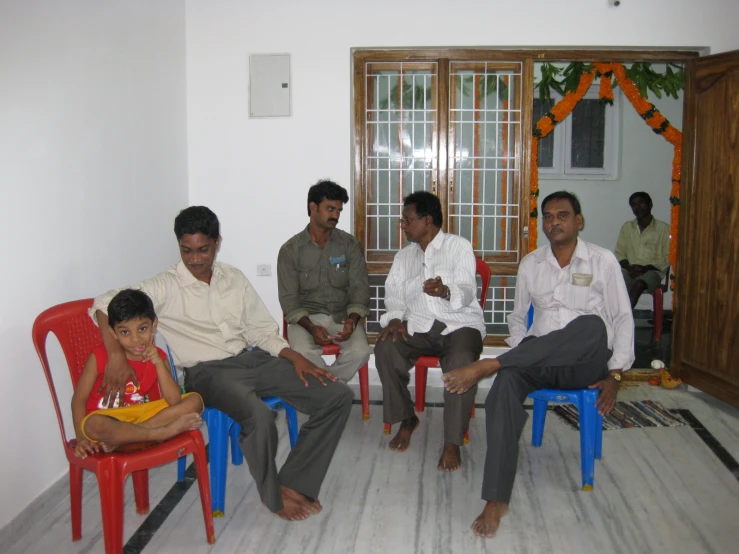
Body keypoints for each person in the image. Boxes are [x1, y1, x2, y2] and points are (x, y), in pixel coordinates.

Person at [89, 206, 353, 521]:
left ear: (217, 242)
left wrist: (295, 357)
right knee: (259, 416)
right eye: (187, 250)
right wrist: (116, 355)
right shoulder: (166, 284)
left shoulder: (234, 278)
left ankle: (295, 482)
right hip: (206, 373)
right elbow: (104, 302)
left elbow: (262, 330)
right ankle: (273, 497)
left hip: (252, 359)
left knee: (337, 395)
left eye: (203, 249)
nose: (195, 258)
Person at [442, 191, 634, 538]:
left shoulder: (603, 261)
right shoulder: (531, 263)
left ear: (579, 221)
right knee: (505, 387)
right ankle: (496, 499)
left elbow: (622, 319)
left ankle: (490, 365)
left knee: (590, 326)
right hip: (537, 358)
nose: (554, 222)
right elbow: (517, 319)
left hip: (584, 362)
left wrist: (616, 374)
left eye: (562, 215)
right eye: (547, 216)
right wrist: (521, 353)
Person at [374, 191, 486, 472]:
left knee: (460, 359)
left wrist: (445, 290)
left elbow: (468, 289)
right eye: (403, 220)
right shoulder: (404, 256)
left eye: (408, 220)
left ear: (427, 220)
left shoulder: (458, 246)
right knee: (386, 346)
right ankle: (406, 418)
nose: (403, 225)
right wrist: (396, 319)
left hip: (458, 323)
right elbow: (394, 293)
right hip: (419, 324)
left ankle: (452, 441)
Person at [72, 289, 204, 459]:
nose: (135, 339)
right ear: (113, 333)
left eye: (142, 329)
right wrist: (81, 439)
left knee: (195, 401)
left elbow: (174, 400)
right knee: (94, 424)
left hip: (140, 416)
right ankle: (161, 433)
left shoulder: (159, 356)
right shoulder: (100, 357)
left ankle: (126, 438)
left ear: (153, 325)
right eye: (125, 332)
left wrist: (158, 363)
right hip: (109, 420)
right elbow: (79, 399)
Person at [277, 179, 371, 382]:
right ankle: (334, 391)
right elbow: (289, 299)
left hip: (341, 317)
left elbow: (359, 287)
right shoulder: (290, 250)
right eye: (330, 209)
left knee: (362, 351)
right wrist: (311, 327)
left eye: (339, 210)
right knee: (302, 352)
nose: (335, 216)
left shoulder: (349, 245)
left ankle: (327, 389)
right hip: (306, 320)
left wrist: (352, 320)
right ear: (313, 207)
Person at [614, 191, 670, 308]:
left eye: (641, 203)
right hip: (629, 271)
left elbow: (667, 258)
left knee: (639, 284)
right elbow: (619, 254)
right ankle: (614, 319)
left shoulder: (664, 229)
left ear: (650, 205)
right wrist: (628, 267)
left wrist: (645, 268)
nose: (637, 207)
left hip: (652, 272)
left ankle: (623, 320)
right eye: (633, 205)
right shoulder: (627, 228)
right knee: (615, 283)